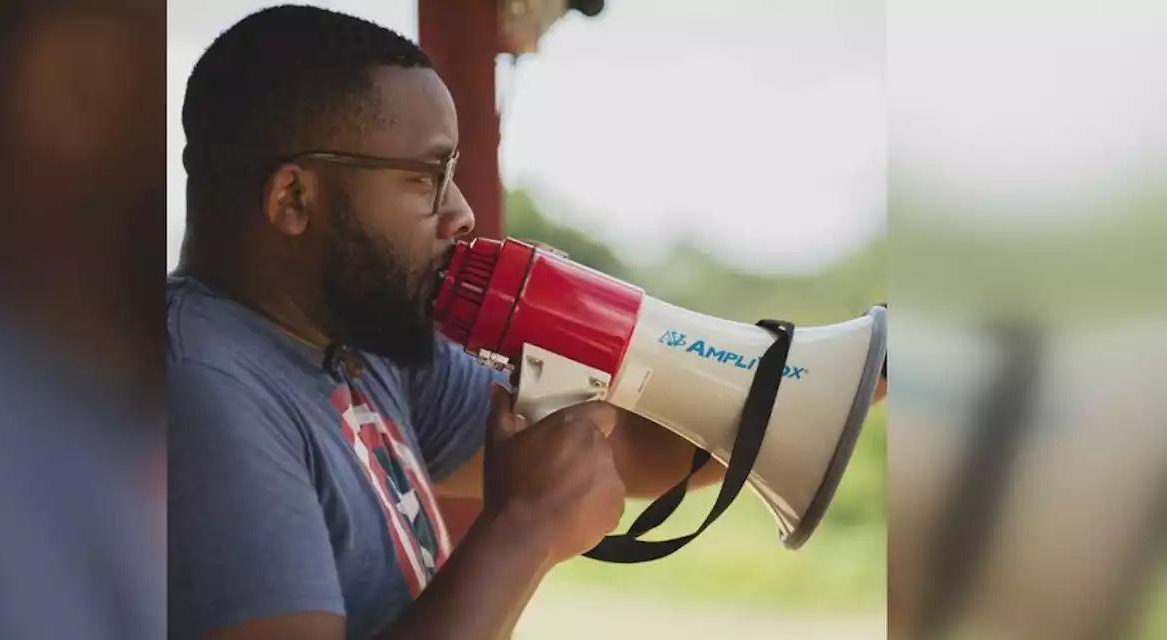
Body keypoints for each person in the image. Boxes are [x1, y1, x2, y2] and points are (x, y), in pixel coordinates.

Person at [168, 5, 883, 640]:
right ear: (293, 197)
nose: (460, 214)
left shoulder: (358, 348)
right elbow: (549, 497)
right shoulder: (198, 389)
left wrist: (857, 380)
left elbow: (625, 443)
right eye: (425, 178)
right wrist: (523, 530)